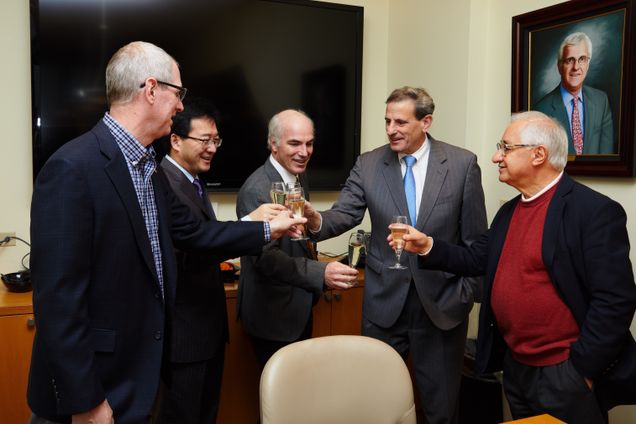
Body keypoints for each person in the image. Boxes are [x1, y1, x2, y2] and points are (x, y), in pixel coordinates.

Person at [27, 41, 304, 424]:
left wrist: (266, 229)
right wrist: (86, 401)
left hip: (142, 378)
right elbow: (58, 303)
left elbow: (194, 234)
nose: (180, 106)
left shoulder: (149, 168)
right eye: (178, 94)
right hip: (95, 390)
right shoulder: (72, 168)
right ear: (152, 90)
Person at [393, 111, 636, 423]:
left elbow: (615, 300)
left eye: (506, 148)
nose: (497, 156)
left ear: (538, 155)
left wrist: (581, 371)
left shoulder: (593, 212)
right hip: (518, 369)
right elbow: (475, 259)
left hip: (565, 373)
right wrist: (427, 245)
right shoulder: (510, 211)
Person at [305, 87, 488, 424]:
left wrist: (467, 294)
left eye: (401, 122)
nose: (391, 129)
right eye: (387, 121)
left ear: (426, 122)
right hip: (383, 305)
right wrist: (315, 219)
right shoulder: (369, 163)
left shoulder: (462, 165)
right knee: (375, 406)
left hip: (442, 307)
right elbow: (344, 214)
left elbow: (477, 242)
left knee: (441, 411)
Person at [155, 97, 285, 424]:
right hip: (184, 336)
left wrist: (252, 219)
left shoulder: (192, 180)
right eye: (204, 140)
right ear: (175, 140)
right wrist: (263, 229)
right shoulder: (164, 183)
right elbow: (198, 242)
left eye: (216, 140)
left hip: (205, 331)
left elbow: (204, 233)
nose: (212, 148)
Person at [236, 109, 358, 365]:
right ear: (274, 144)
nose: (304, 152)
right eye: (295, 143)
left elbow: (299, 235)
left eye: (309, 143)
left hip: (299, 307)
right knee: (280, 401)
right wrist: (320, 273)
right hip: (272, 316)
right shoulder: (256, 189)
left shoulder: (298, 176)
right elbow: (266, 259)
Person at [534, 32, 614, 154]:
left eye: (582, 59)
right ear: (560, 66)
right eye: (570, 60)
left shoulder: (601, 101)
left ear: (588, 64)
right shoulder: (541, 110)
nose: (576, 67)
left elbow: (606, 154)